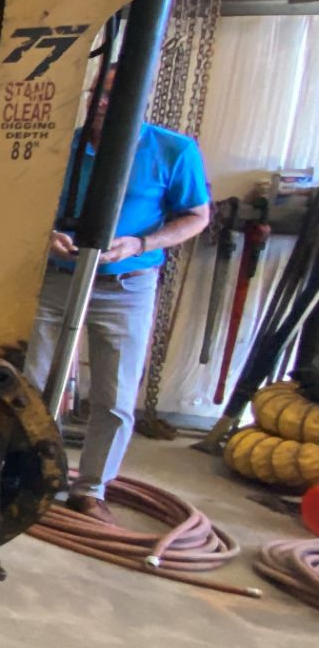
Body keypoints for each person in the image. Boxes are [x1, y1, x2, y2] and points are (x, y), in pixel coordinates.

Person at [24, 66, 210, 519]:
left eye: (113, 96)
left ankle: (91, 489)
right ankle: (25, 471)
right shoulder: (60, 146)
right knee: (29, 382)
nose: (101, 103)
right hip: (58, 276)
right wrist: (46, 232)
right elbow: (28, 200)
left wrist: (141, 244)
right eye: (97, 94)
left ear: (139, 101)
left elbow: (196, 215)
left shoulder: (173, 151)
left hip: (126, 286)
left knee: (114, 395)